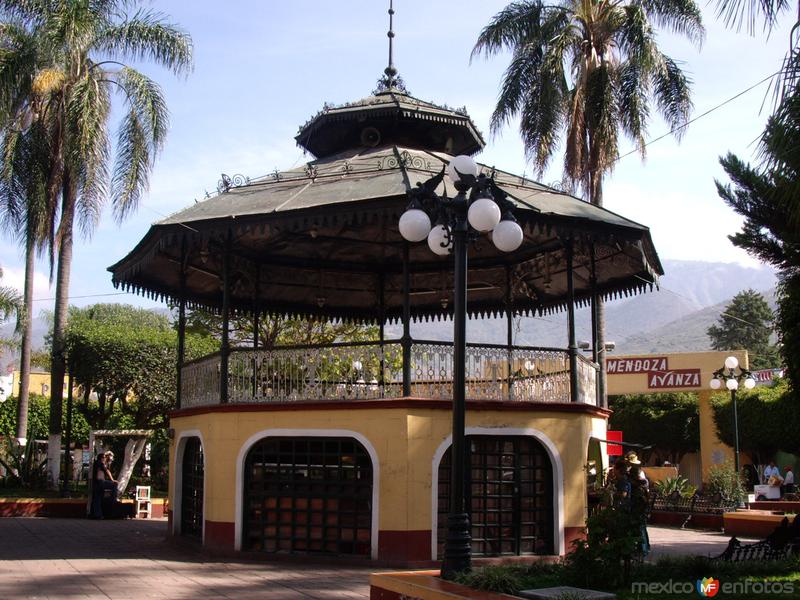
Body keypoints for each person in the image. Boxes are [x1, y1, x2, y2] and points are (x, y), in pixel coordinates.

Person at [89, 451, 118, 519]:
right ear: (101, 458)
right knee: (114, 485)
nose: (105, 459)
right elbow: (107, 471)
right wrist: (112, 480)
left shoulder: (98, 463)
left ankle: (98, 515)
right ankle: (113, 499)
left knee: (97, 499)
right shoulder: (100, 463)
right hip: (100, 482)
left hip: (97, 483)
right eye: (104, 458)